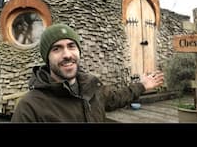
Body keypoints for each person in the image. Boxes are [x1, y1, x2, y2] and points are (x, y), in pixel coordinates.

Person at [11, 23, 164, 122]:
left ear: (78, 51)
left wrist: (143, 85)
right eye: (56, 49)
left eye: (71, 46)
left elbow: (117, 97)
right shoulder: (30, 108)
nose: (67, 55)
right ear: (47, 57)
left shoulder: (92, 87)